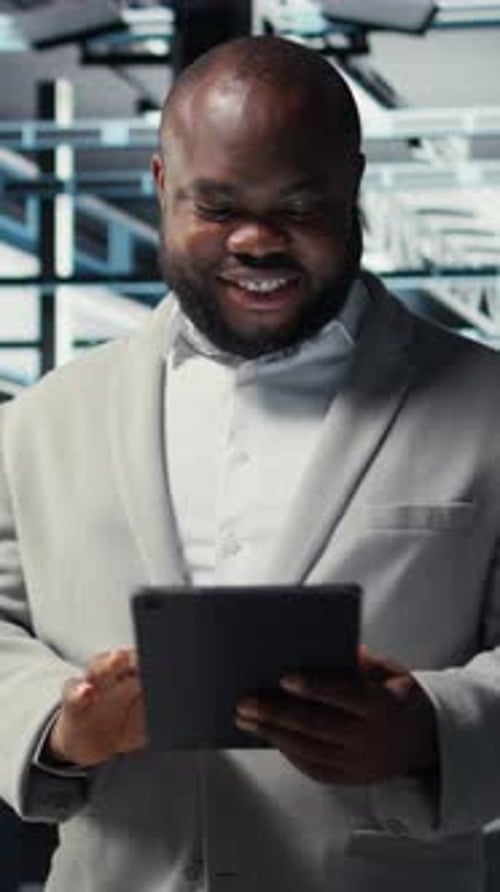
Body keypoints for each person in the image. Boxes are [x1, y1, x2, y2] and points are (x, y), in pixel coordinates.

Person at [0, 35, 500, 892]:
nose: (258, 241)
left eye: (299, 206)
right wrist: (61, 723)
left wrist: (430, 729)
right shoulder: (44, 419)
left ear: (354, 186)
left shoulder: (486, 405)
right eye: (218, 206)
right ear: (163, 186)